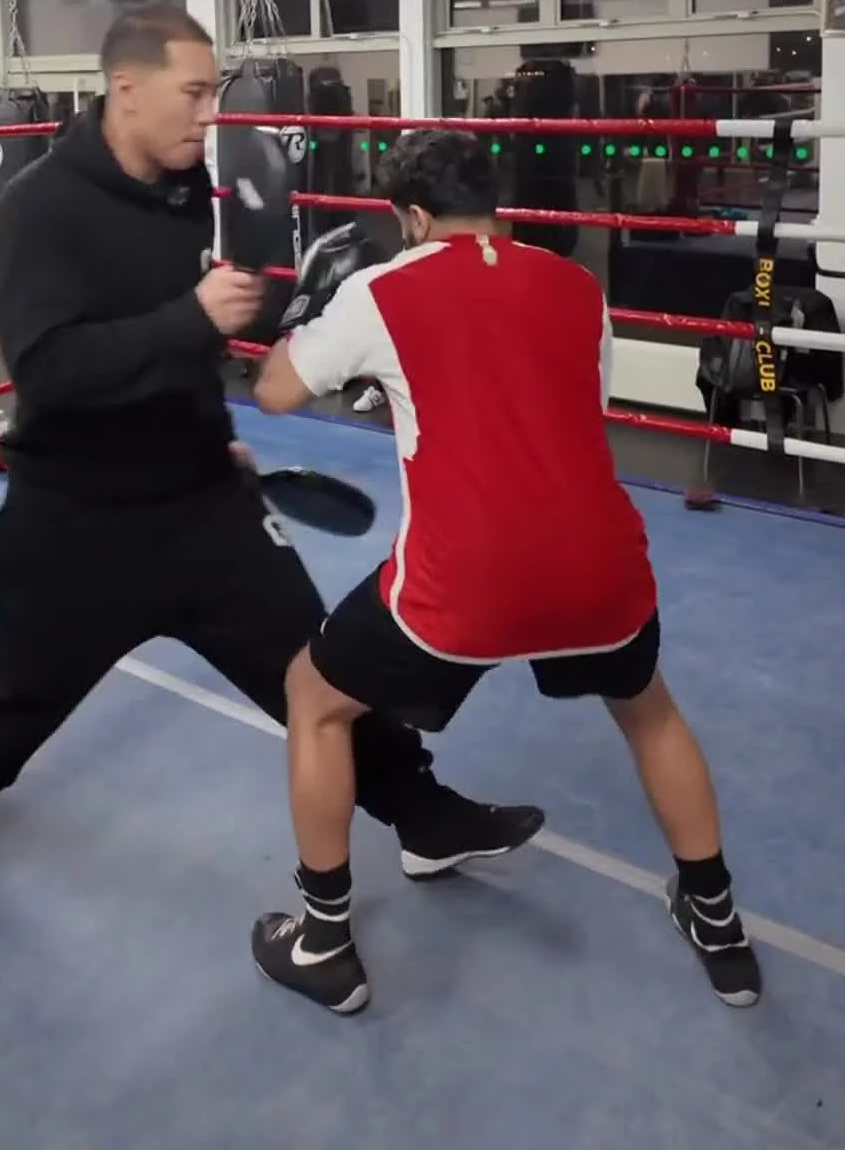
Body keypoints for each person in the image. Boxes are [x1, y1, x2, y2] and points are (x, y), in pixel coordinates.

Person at [0, 5, 543, 899]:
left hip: (204, 504)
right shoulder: (36, 210)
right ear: (127, 88)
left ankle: (423, 815)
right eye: (195, 93)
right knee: (16, 705)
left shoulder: (181, 190)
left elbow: (175, 350)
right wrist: (192, 316)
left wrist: (215, 429)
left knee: (317, 671)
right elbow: (48, 371)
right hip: (77, 524)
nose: (211, 114)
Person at [249, 129, 761, 1016]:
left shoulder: (382, 289)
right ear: (494, 205)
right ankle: (718, 923)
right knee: (649, 712)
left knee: (315, 697)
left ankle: (323, 938)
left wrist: (315, 310)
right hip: (600, 564)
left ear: (412, 216)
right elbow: (580, 404)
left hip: (464, 581)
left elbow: (274, 392)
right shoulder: (578, 286)